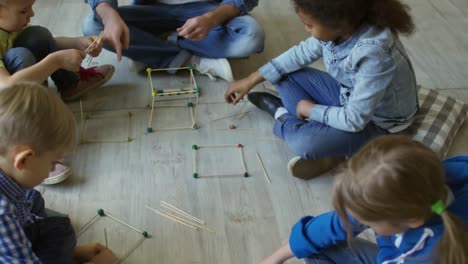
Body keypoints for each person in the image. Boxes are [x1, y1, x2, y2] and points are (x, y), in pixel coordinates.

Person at [225, 0, 419, 179]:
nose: (306, 29)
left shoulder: (374, 53)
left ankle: (281, 114)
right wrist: (251, 79)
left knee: (303, 144)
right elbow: (300, 53)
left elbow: (355, 120)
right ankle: (328, 142)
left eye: (309, 25)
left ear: (338, 23)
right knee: (282, 73)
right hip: (348, 97)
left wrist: (311, 110)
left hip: (377, 125)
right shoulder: (344, 26)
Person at [258, 135, 468, 264]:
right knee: (314, 247)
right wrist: (277, 257)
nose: (360, 223)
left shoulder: (435, 253)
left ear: (412, 220)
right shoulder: (423, 179)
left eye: (368, 221)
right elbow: (338, 223)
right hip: (398, 249)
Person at [0, 82, 117, 263]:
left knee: (35, 199)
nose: (54, 169)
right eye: (53, 162)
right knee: (61, 231)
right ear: (23, 160)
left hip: (14, 226)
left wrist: (72, 252)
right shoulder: (2, 215)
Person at [0, 0, 115, 183]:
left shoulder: (7, 24)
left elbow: (49, 42)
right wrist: (55, 61)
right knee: (20, 56)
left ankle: (70, 86)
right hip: (5, 112)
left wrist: (76, 42)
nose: (31, 14)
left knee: (38, 35)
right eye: (23, 10)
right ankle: (35, 152)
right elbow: (8, 87)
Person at [83, 0, 265, 82]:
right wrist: (109, 17)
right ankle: (191, 60)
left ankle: (151, 48)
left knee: (252, 36)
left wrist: (211, 19)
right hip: (150, 10)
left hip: (206, 8)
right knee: (92, 26)